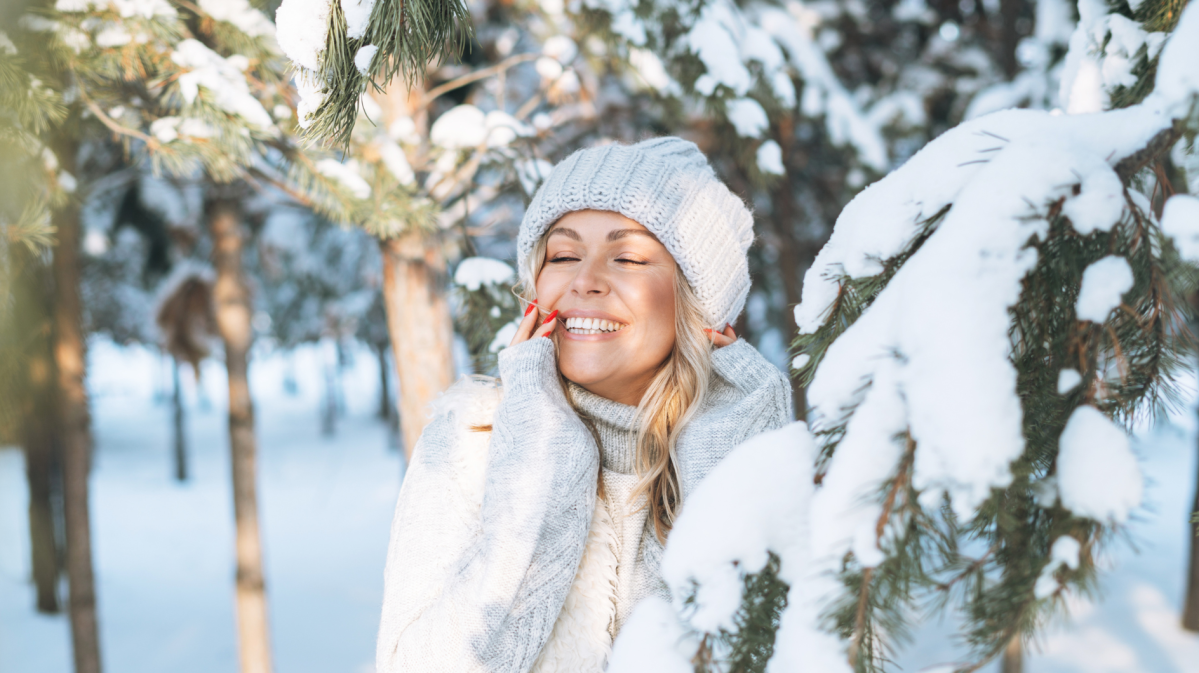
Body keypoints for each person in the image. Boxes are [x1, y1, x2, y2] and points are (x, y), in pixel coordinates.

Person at [375, 137, 792, 673]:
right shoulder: (470, 443)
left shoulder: (746, 446)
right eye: (564, 255)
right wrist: (543, 466)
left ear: (699, 304)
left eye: (629, 257)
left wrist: (731, 453)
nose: (584, 281)